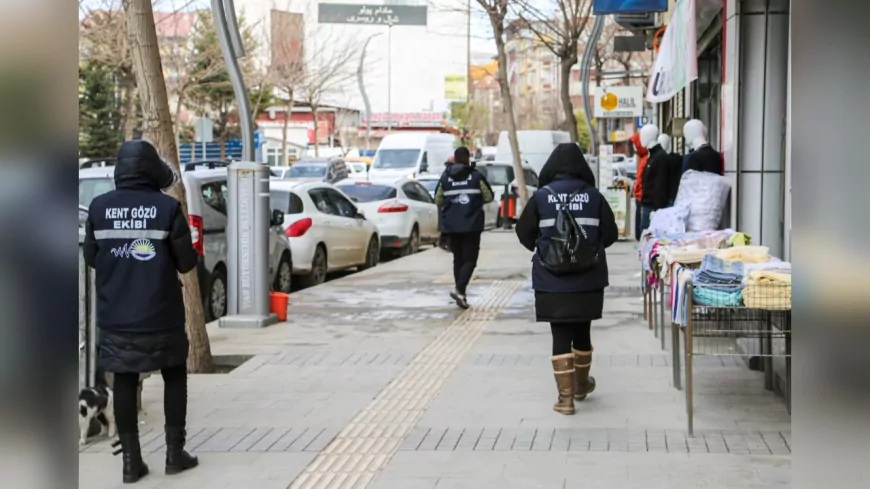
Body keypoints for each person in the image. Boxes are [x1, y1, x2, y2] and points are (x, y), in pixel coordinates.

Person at [83, 140, 200, 483]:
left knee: (124, 378)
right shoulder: (166, 208)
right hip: (162, 313)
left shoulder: (99, 207)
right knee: (174, 375)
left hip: (117, 313)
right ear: (152, 169)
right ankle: (175, 454)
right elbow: (187, 262)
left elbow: (91, 257)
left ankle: (131, 463)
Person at [515, 143, 618, 415]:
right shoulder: (594, 196)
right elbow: (611, 234)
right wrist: (587, 252)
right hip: (588, 280)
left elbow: (523, 232)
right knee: (582, 330)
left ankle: (566, 399)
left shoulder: (540, 197)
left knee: (559, 333)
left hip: (551, 282)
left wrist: (545, 252)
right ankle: (582, 385)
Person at [434, 147, 494, 309]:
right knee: (470, 260)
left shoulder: (445, 178)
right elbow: (489, 196)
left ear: (454, 159)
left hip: (452, 226)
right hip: (472, 225)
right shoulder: (476, 176)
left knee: (458, 259)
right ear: (468, 159)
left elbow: (438, 199)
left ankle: (461, 293)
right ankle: (460, 289)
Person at [629, 132, 649, 241]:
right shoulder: (643, 158)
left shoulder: (646, 159)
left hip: (642, 195)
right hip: (639, 194)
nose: (635, 148)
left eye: (636, 145)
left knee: (641, 221)